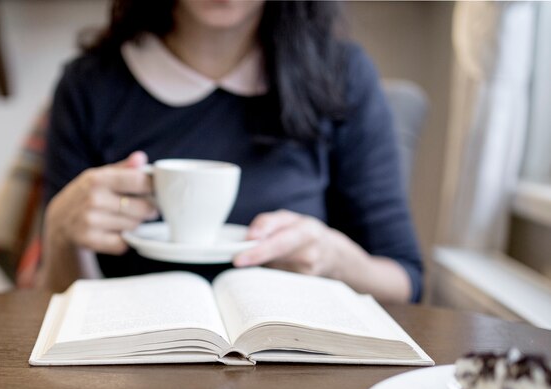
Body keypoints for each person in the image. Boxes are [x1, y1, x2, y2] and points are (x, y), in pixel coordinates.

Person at [38, 0, 423, 303]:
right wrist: (59, 231)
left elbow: (405, 281)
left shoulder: (342, 75)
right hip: (127, 372)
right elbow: (54, 301)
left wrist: (336, 260)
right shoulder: (88, 85)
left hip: (292, 366)